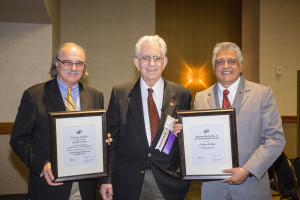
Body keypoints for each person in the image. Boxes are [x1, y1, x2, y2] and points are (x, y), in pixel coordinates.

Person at [173, 42, 285, 199]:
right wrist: (182, 135)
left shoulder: (262, 94)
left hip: (251, 187)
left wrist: (247, 170)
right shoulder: (201, 97)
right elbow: (198, 139)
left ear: (240, 66)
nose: (225, 66)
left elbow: (275, 139)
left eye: (231, 61)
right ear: (213, 67)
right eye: (220, 61)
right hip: (213, 190)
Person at [10, 43, 109, 200]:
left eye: (79, 63)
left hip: (85, 187)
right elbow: (18, 139)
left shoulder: (96, 95)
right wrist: (42, 164)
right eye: (68, 62)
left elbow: (98, 138)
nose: (74, 68)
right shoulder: (34, 95)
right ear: (56, 63)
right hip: (49, 187)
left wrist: (103, 139)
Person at [100, 35, 191, 200]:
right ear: (136, 62)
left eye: (157, 58)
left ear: (165, 62)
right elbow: (112, 141)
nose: (152, 63)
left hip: (167, 181)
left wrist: (183, 133)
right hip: (128, 181)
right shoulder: (119, 93)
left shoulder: (182, 94)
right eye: (146, 58)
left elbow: (188, 142)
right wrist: (106, 179)